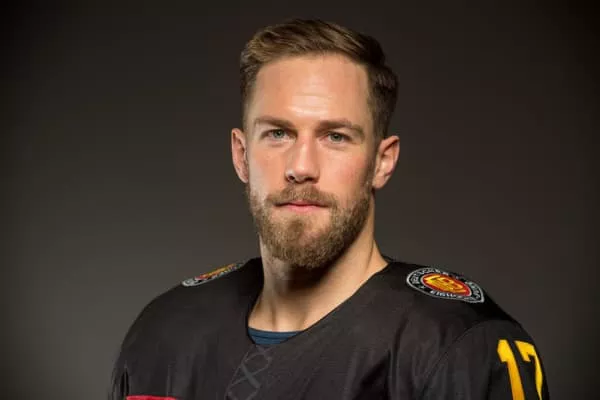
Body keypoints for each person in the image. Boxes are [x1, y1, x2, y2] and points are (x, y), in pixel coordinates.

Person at [110, 19, 549, 399]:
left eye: (335, 136)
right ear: (241, 155)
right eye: (278, 133)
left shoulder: (458, 345)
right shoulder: (163, 334)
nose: (302, 167)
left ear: (382, 161)